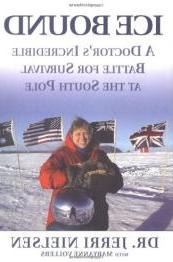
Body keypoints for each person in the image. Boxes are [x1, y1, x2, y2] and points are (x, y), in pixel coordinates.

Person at [39, 117, 123, 230]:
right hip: (66, 219)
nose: (82, 138)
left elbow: (117, 182)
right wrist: (69, 176)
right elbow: (44, 178)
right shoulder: (62, 154)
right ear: (71, 135)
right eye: (78, 134)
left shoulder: (99, 155)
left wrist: (108, 179)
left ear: (91, 135)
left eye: (86, 134)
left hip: (97, 217)